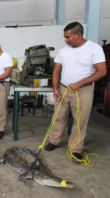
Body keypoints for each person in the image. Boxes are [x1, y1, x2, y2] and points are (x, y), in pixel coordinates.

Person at [44, 22, 106, 162]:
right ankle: (54, 141)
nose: (65, 40)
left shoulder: (94, 49)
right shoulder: (64, 50)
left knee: (80, 121)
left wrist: (79, 84)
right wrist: (55, 88)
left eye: (68, 37)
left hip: (83, 91)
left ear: (78, 34)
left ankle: (76, 149)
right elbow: (56, 71)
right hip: (63, 89)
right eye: (64, 37)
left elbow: (102, 71)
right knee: (58, 117)